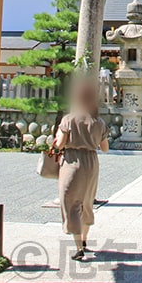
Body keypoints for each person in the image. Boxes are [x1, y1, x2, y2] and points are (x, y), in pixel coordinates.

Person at [54, 78, 110, 260]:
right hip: (92, 162)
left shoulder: (69, 120)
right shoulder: (98, 121)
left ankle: (78, 247)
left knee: (71, 202)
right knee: (87, 202)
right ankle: (84, 239)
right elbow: (105, 148)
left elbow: (60, 144)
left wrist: (56, 139)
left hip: (72, 162)